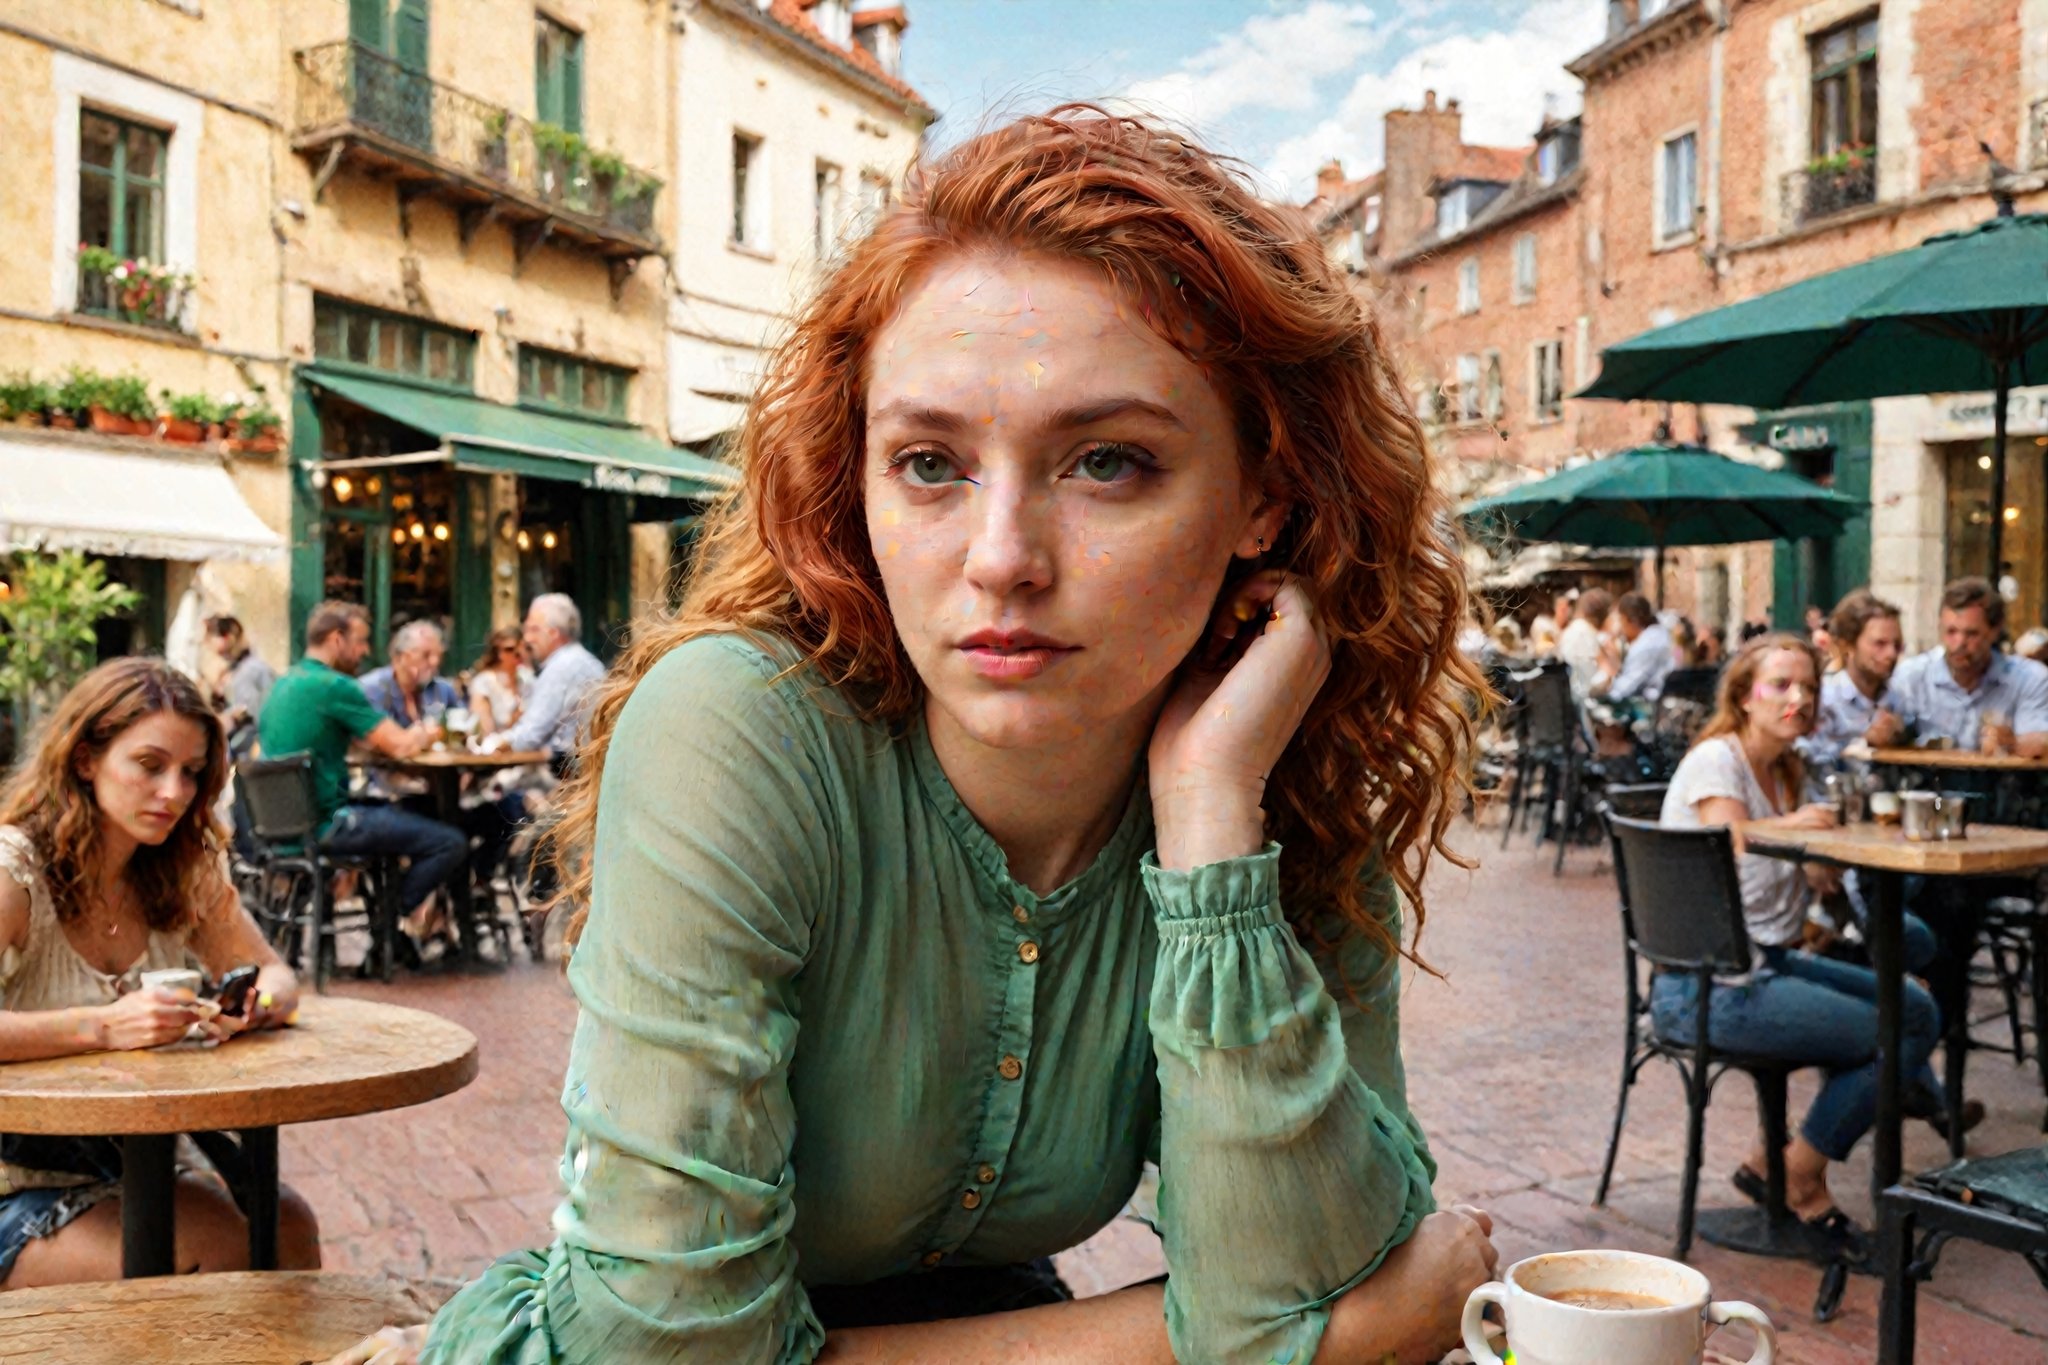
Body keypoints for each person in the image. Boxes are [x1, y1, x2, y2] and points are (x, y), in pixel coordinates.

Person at [337, 105, 1498, 1365]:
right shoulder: (744, 724)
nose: (1000, 560)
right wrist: (1197, 1340)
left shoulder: (1274, 776)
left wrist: (1213, 822)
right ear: (860, 482)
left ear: (1260, 503)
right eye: (931, 465)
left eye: (1106, 461)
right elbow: (1340, 1331)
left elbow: (1321, 1274)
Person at [0, 658, 318, 1285]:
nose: (174, 792)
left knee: (288, 1225)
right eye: (149, 765)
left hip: (135, 1170)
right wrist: (103, 1027)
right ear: (86, 758)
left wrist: (253, 1004)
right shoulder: (16, 873)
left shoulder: (179, 868)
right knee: (222, 1244)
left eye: (192, 772)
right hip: (15, 1186)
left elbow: (278, 976)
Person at [1657, 635, 1943, 1251]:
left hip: (1770, 960)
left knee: (1917, 1010)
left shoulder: (1792, 768)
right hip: (1707, 985)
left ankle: (1773, 1161)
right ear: (1743, 695)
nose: (1799, 698)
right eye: (1781, 685)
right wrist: (1796, 832)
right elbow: (1725, 839)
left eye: (1809, 687)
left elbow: (1791, 858)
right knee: (1892, 1029)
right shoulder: (1718, 760)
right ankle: (1802, 1178)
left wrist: (1818, 865)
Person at [257, 602, 466, 946]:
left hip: (282, 829)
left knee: (418, 813)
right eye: (361, 641)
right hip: (329, 824)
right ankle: (389, 914)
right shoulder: (336, 686)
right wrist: (432, 731)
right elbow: (400, 745)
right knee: (450, 841)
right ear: (337, 639)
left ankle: (391, 922)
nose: (367, 651)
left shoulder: (282, 685)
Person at [1876, 576, 2048, 756]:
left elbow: (2040, 743)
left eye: (1971, 634)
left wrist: (2012, 743)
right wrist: (1888, 731)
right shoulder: (1913, 676)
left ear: (1994, 632)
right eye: (1951, 632)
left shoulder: (2029, 679)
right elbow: (1886, 731)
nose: (1959, 643)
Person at [480, 595, 605, 777]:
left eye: (533, 629)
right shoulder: (584, 661)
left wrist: (492, 744)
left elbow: (531, 735)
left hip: (570, 777)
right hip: (589, 771)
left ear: (553, 633)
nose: (527, 638)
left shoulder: (562, 666)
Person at [1801, 589, 1904, 769]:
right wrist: (1864, 742)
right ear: (1848, 645)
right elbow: (1806, 757)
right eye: (1880, 644)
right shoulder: (1825, 699)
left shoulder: (1896, 698)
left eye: (1897, 645)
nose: (1891, 654)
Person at [357, 620, 462, 729]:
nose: (434, 662)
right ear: (402, 657)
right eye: (426, 655)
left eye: (438, 655)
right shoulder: (371, 689)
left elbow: (462, 725)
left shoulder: (443, 689)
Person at [204, 615, 274, 758]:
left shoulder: (251, 670)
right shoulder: (234, 670)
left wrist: (224, 719)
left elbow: (248, 711)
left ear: (228, 637)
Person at [1596, 591, 1675, 707]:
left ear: (1629, 620)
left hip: (1653, 705)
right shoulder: (1658, 633)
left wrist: (1602, 696)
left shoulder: (1647, 644)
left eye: (1621, 621)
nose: (1621, 628)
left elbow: (1625, 689)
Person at [467, 628, 532, 737]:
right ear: (498, 652)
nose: (517, 653)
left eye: (522, 648)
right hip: (495, 747)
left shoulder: (527, 680)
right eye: (509, 649)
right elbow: (482, 729)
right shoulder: (484, 683)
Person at [1557, 588, 1609, 699]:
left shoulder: (1576, 629)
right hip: (1584, 698)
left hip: (1572, 695)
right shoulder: (1585, 632)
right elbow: (1596, 677)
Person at [1528, 591, 1569, 656]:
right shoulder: (1542, 623)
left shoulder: (1573, 627)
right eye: (1561, 607)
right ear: (1555, 607)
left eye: (1567, 607)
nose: (1565, 611)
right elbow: (1542, 650)